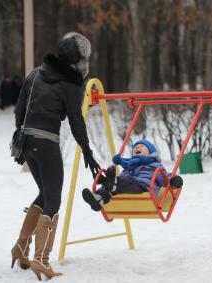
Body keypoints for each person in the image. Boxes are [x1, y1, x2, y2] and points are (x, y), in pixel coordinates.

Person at [11, 32, 101, 280]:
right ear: (79, 60)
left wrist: (21, 136)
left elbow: (19, 109)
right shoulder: (70, 84)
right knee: (54, 203)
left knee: (44, 195)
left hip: (27, 142)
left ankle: (20, 248)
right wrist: (88, 151)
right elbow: (76, 123)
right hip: (47, 145)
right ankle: (41, 260)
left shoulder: (35, 73)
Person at [82, 139, 183, 211]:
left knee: (122, 182)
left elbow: (164, 178)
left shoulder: (155, 165)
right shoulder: (129, 166)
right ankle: (98, 198)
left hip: (143, 186)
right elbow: (123, 178)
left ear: (151, 153)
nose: (137, 147)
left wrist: (173, 180)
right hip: (126, 187)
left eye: (142, 146)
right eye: (135, 147)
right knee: (113, 187)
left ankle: (111, 183)